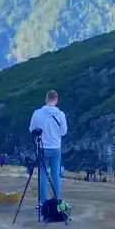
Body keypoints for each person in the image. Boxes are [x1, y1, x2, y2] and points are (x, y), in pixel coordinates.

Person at [28, 90, 68, 219]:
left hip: (42, 148)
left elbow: (31, 129)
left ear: (46, 99)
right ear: (56, 100)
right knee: (55, 174)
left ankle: (42, 203)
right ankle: (57, 201)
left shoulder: (37, 113)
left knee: (43, 174)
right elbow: (63, 132)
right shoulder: (61, 114)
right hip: (55, 148)